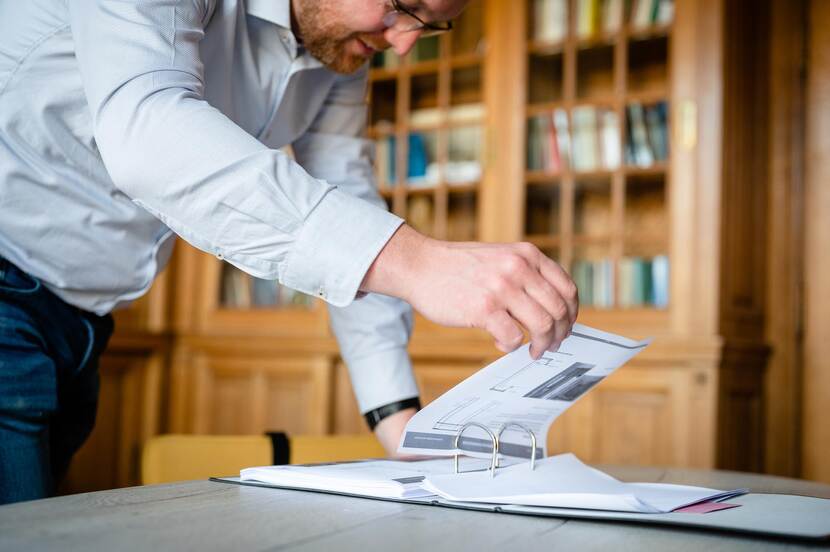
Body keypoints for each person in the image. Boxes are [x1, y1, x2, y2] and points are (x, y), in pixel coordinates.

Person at [0, 0, 578, 504]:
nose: (403, 43)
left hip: (84, 324)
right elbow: (149, 132)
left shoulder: (340, 53)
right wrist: (420, 262)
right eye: (406, 4)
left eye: (430, 26)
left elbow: (350, 197)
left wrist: (399, 418)